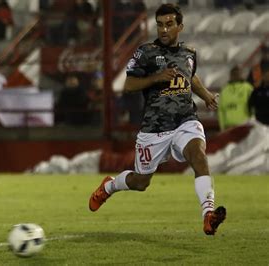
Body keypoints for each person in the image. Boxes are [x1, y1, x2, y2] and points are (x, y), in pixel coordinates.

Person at [88, 4, 226, 236]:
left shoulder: (189, 52)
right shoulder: (146, 52)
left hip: (185, 120)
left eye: (169, 24)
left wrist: (207, 96)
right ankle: (109, 186)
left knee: (199, 156)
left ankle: (208, 214)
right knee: (141, 182)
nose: (164, 29)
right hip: (154, 128)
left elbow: (190, 76)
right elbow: (128, 85)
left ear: (180, 26)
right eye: (160, 24)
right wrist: (156, 77)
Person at [218, 66, 253, 131]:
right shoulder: (224, 90)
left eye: (238, 74)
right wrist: (222, 127)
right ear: (230, 75)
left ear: (241, 74)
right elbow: (221, 110)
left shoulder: (248, 88)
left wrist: (252, 124)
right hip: (229, 126)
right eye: (234, 74)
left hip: (244, 125)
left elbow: (253, 107)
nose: (235, 76)